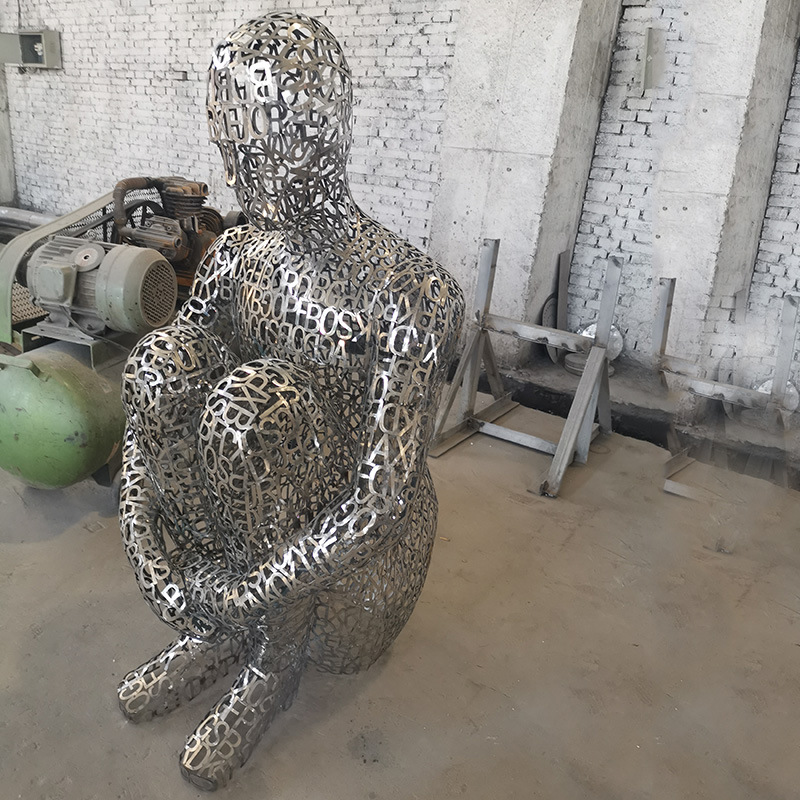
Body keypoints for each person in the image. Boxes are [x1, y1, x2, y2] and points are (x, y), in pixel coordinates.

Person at [116, 11, 464, 790]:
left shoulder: (408, 292)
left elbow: (379, 497)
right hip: (243, 552)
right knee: (164, 364)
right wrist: (149, 551)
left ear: (313, 138)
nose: (233, 171)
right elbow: (147, 410)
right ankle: (219, 629)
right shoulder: (237, 255)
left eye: (248, 150)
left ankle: (270, 659)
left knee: (249, 406)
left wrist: (251, 591)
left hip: (352, 589)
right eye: (227, 147)